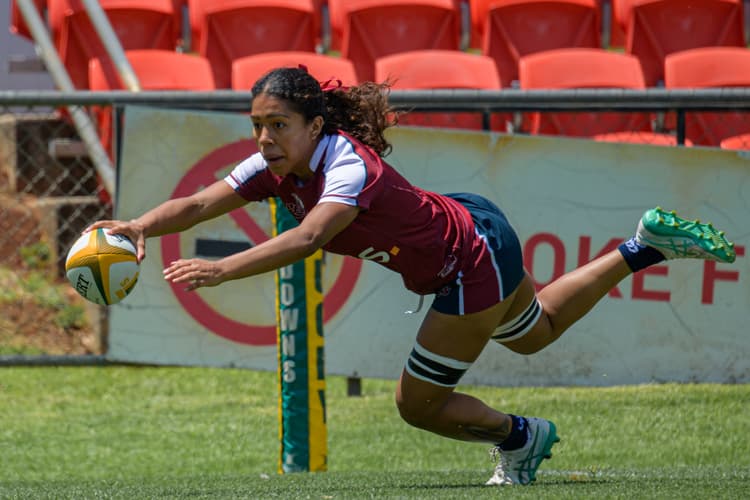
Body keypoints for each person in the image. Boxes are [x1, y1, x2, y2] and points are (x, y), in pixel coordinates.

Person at [87, 67, 736, 486]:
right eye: (257, 125)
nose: (263, 137)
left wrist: (223, 268)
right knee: (535, 332)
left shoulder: (347, 165)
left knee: (415, 406)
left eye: (277, 125)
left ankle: (521, 438)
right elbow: (201, 202)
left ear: (316, 125)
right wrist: (142, 226)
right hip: (475, 230)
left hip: (466, 261)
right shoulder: (278, 164)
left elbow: (312, 236)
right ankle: (643, 247)